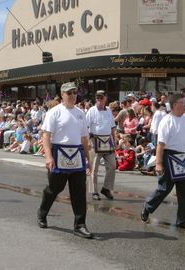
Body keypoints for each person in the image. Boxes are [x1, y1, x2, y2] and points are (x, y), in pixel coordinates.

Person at [37, 82, 93, 239]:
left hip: (77, 155)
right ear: (62, 95)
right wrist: (48, 157)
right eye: (69, 93)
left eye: (75, 93)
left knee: (79, 192)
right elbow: (46, 136)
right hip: (59, 153)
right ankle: (42, 213)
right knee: (54, 189)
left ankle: (80, 225)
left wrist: (87, 161)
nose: (73, 96)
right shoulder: (54, 112)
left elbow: (84, 139)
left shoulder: (81, 113)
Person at [141, 93, 185, 230]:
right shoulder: (167, 120)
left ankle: (182, 220)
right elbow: (160, 144)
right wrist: (159, 164)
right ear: (174, 105)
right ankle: (148, 207)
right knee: (164, 188)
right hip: (169, 156)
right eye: (182, 103)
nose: (184, 105)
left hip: (184, 157)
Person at [86, 90, 116, 201]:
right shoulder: (91, 111)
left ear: (105, 98)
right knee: (94, 168)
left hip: (107, 141)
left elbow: (112, 127)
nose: (99, 99)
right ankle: (94, 191)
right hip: (95, 140)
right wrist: (88, 141)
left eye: (101, 97)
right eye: (97, 97)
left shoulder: (108, 110)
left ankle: (106, 188)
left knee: (112, 165)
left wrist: (115, 140)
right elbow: (85, 127)